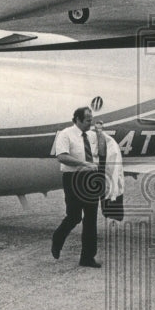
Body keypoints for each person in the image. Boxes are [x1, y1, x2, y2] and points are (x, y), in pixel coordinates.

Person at [51, 106, 106, 268]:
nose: (91, 123)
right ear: (78, 120)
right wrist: (83, 164)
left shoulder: (92, 135)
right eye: (88, 120)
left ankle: (87, 257)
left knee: (91, 218)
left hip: (90, 178)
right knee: (74, 216)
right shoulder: (65, 134)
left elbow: (102, 152)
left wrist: (101, 133)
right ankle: (58, 238)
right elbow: (61, 156)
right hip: (73, 177)